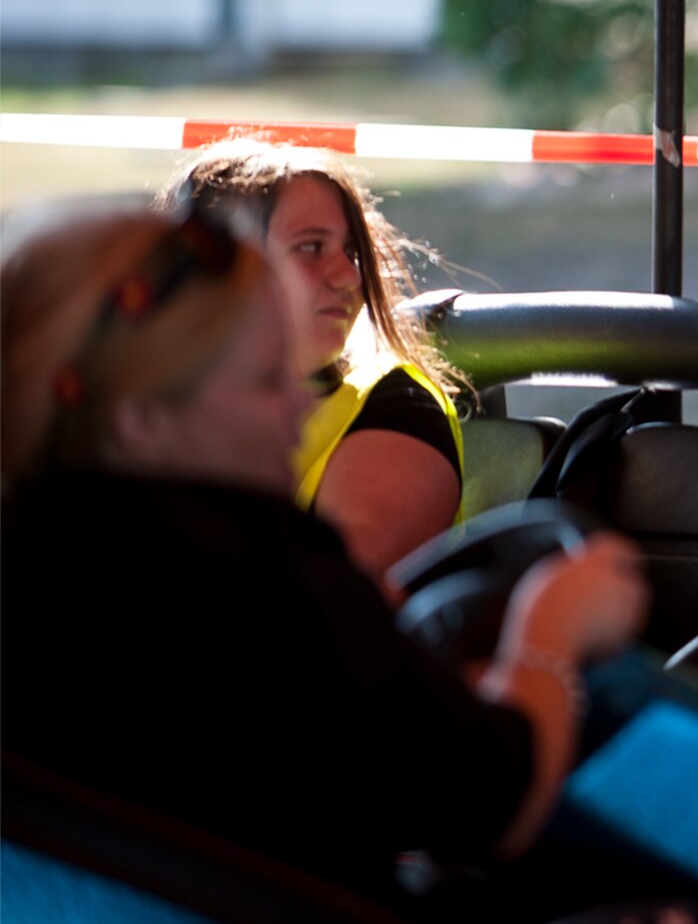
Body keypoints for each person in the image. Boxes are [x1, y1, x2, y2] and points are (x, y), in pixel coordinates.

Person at [0, 205, 650, 908]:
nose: (299, 408)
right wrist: (549, 631)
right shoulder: (265, 591)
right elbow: (493, 805)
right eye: (266, 380)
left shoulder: (38, 562)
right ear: (141, 419)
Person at [164, 137, 465, 581]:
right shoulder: (149, 399)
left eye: (352, 251)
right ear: (217, 268)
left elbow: (324, 595)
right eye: (311, 248)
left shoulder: (399, 404)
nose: (349, 276)